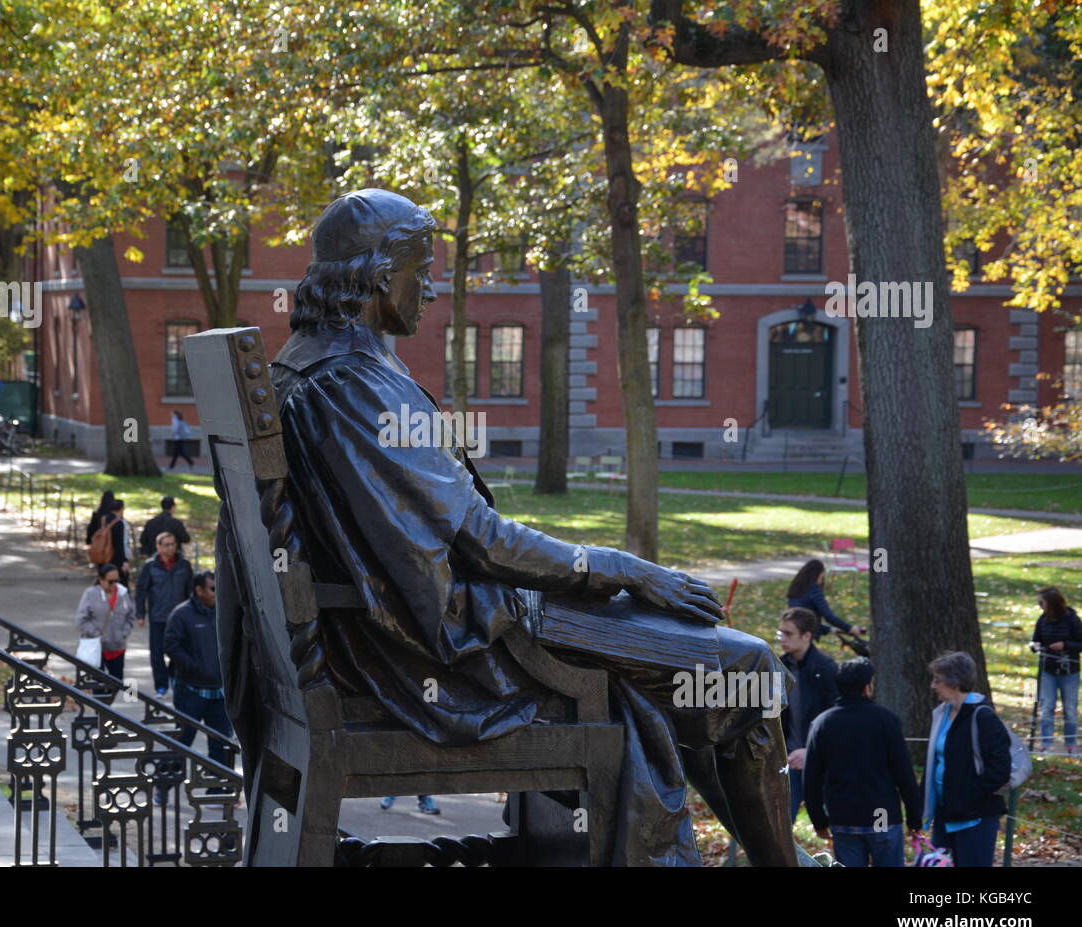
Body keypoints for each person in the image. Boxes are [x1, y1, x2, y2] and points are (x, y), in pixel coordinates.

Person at [216, 189, 799, 866]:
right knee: (749, 672)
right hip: (447, 650)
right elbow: (479, 540)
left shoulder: (306, 366)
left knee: (683, 663)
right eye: (422, 269)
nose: (431, 289)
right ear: (379, 277)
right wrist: (628, 568)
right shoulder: (355, 384)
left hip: (394, 633)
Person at [803, 659, 923, 866]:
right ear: (867, 687)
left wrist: (819, 820)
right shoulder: (885, 720)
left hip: (843, 815)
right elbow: (903, 773)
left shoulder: (823, 723)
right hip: (881, 813)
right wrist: (914, 818)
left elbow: (811, 777)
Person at [921, 650, 1011, 867]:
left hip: (976, 817)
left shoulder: (983, 716)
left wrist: (968, 795)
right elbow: (933, 763)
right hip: (945, 815)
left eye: (937, 680)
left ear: (954, 682)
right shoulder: (941, 713)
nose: (933, 686)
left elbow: (1000, 770)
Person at [164, 570, 234, 766]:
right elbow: (171, 646)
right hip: (190, 691)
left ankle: (220, 793)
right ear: (199, 590)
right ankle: (162, 787)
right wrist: (195, 667)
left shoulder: (224, 612)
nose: (216, 592)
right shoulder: (181, 614)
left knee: (221, 745)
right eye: (213, 588)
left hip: (219, 693)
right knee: (182, 742)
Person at [778, 606, 840, 823]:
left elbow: (835, 719)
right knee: (781, 824)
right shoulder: (778, 667)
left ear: (807, 636)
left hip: (822, 761)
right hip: (787, 759)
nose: (782, 638)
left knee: (834, 824)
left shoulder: (826, 668)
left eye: (788, 634)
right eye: (780, 633)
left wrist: (810, 750)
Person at [135, 531, 194, 696]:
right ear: (158, 547)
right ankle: (161, 685)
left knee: (179, 651)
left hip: (179, 618)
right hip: (158, 616)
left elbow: (191, 590)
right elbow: (141, 591)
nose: (171, 548)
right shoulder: (150, 566)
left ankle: (175, 679)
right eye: (167, 544)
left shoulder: (184, 565)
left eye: (173, 544)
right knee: (157, 653)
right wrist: (140, 614)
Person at [1030, 586, 1081, 754]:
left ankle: (1071, 743)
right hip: (1048, 671)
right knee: (1046, 707)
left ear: (1052, 604)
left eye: (1042, 602)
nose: (1040, 606)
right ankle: (1046, 742)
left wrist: (1065, 645)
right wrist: (1035, 645)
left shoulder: (1072, 620)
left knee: (1070, 709)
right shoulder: (1042, 620)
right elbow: (1035, 639)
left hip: (1069, 672)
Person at [75, 563, 135, 683]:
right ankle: (100, 701)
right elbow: (81, 620)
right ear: (101, 580)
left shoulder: (123, 593)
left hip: (117, 646)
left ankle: (107, 701)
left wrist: (123, 633)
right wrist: (95, 633)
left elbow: (131, 616)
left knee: (117, 681)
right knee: (97, 683)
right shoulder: (91, 594)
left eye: (117, 581)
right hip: (97, 646)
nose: (114, 584)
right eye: (110, 581)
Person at [787, 559, 864, 642]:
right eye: (821, 577)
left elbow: (803, 619)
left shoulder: (796, 590)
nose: (821, 581)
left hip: (793, 634)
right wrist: (850, 628)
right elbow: (829, 616)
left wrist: (828, 629)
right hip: (806, 638)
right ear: (817, 575)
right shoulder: (814, 590)